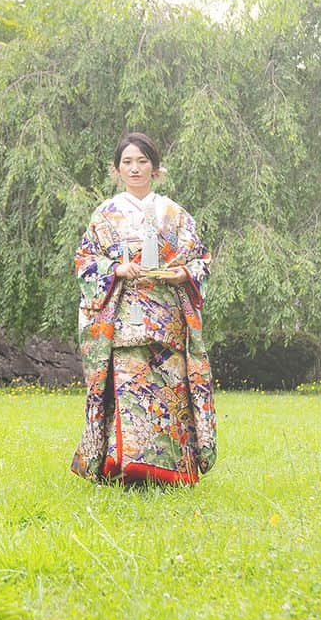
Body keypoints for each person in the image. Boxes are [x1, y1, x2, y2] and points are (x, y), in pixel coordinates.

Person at [70, 131, 216, 486]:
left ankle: (174, 470)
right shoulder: (105, 215)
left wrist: (182, 272)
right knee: (129, 390)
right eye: (127, 162)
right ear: (116, 169)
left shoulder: (175, 214)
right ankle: (124, 467)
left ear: (156, 167)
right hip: (124, 320)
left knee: (168, 392)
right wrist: (117, 269)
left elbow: (201, 261)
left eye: (142, 161)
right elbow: (85, 261)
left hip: (166, 320)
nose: (135, 169)